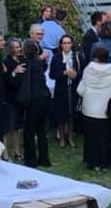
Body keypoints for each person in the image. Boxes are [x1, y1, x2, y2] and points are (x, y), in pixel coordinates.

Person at [77, 46, 111, 171]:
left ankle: (91, 161)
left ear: (95, 57)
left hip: (89, 107)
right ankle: (105, 161)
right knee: (106, 136)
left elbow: (81, 89)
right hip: (105, 109)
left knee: (91, 136)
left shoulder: (88, 70)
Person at [19, 38, 52, 168]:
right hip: (44, 96)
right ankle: (44, 159)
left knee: (29, 130)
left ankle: (31, 160)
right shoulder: (40, 62)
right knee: (41, 130)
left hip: (33, 99)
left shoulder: (25, 64)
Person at [49, 34, 82, 149]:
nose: (67, 45)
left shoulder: (76, 56)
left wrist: (75, 74)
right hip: (61, 89)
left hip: (73, 88)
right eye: (64, 43)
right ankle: (62, 138)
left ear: (72, 44)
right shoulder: (57, 57)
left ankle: (70, 137)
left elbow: (82, 72)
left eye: (68, 43)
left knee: (71, 113)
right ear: (61, 45)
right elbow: (52, 74)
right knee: (61, 114)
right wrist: (64, 73)